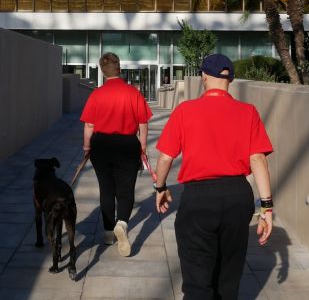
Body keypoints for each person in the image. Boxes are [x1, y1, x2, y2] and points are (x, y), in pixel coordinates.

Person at [154, 53, 273, 300]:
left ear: (204, 76)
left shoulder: (185, 110)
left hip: (199, 199)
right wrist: (267, 207)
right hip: (237, 196)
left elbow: (166, 157)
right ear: (230, 80)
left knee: (198, 281)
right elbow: (258, 159)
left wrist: (161, 187)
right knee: (228, 280)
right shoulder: (248, 112)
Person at [81, 52, 153, 256]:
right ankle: (121, 223)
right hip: (127, 145)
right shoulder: (133, 93)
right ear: (119, 68)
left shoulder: (96, 94)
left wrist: (87, 147)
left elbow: (89, 125)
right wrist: (143, 146)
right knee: (126, 188)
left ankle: (107, 232)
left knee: (106, 188)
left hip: (101, 145)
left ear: (103, 72)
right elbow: (143, 123)